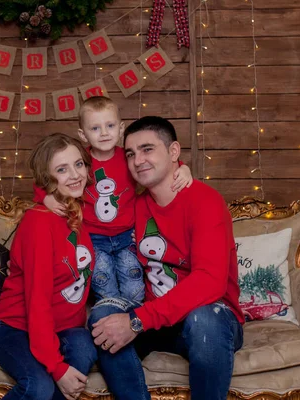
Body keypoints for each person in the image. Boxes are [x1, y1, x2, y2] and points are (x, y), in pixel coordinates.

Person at [88, 116, 244, 400]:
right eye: (131, 153)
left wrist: (137, 320)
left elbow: (210, 283)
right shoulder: (133, 207)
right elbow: (88, 220)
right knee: (102, 316)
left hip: (210, 321)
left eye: (147, 149)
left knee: (204, 317)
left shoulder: (205, 202)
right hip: (157, 320)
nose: (137, 161)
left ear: (174, 152)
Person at [35, 96, 193, 304]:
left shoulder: (128, 157)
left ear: (120, 128)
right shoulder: (81, 162)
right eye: (95, 128)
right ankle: (111, 311)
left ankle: (133, 318)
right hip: (93, 238)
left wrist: (182, 167)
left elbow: (156, 166)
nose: (104, 133)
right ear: (83, 134)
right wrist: (45, 197)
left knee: (133, 275)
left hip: (127, 236)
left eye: (109, 126)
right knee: (102, 277)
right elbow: (46, 178)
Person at [0, 133, 98, 400]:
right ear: (48, 178)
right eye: (62, 169)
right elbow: (37, 302)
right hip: (16, 325)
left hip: (65, 328)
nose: (74, 175)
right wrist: (56, 367)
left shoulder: (76, 209)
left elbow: (117, 166)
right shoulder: (38, 223)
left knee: (84, 351)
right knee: (40, 387)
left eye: (79, 165)